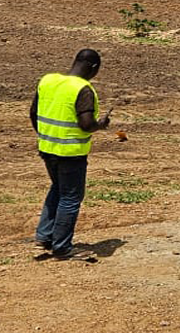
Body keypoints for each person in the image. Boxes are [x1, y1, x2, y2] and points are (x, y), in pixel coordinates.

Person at [30, 49, 110, 260]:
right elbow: (86, 125)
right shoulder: (83, 89)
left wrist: (46, 135)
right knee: (71, 197)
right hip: (71, 152)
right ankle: (62, 247)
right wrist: (100, 125)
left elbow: (33, 113)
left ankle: (44, 237)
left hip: (47, 148)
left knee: (57, 188)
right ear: (93, 68)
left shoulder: (48, 80)